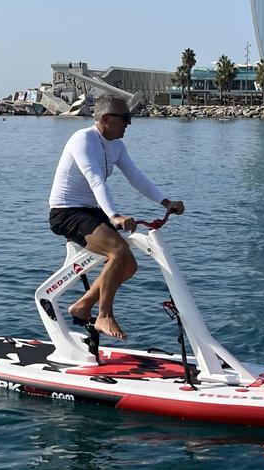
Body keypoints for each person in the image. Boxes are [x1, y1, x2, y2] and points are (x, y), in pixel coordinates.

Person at [47, 96, 184, 341]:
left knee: (129, 265)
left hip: (90, 209)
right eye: (126, 119)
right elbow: (94, 178)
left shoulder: (116, 146)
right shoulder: (83, 139)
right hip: (66, 211)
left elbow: (136, 177)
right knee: (119, 251)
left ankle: (83, 305)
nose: (129, 124)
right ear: (107, 119)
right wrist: (115, 216)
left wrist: (166, 202)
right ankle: (104, 314)